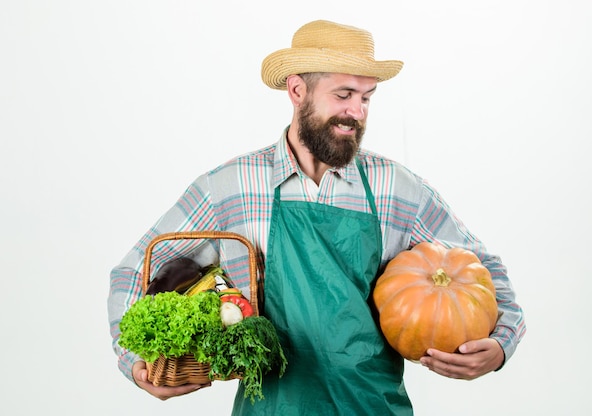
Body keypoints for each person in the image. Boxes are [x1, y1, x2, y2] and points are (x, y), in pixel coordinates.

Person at [108, 19, 526, 415]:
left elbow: (481, 268)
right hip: (270, 408)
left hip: (371, 406)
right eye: (343, 95)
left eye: (366, 97)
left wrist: (501, 344)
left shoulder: (397, 189)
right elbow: (135, 270)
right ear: (296, 91)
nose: (357, 112)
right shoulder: (229, 188)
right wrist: (135, 361)